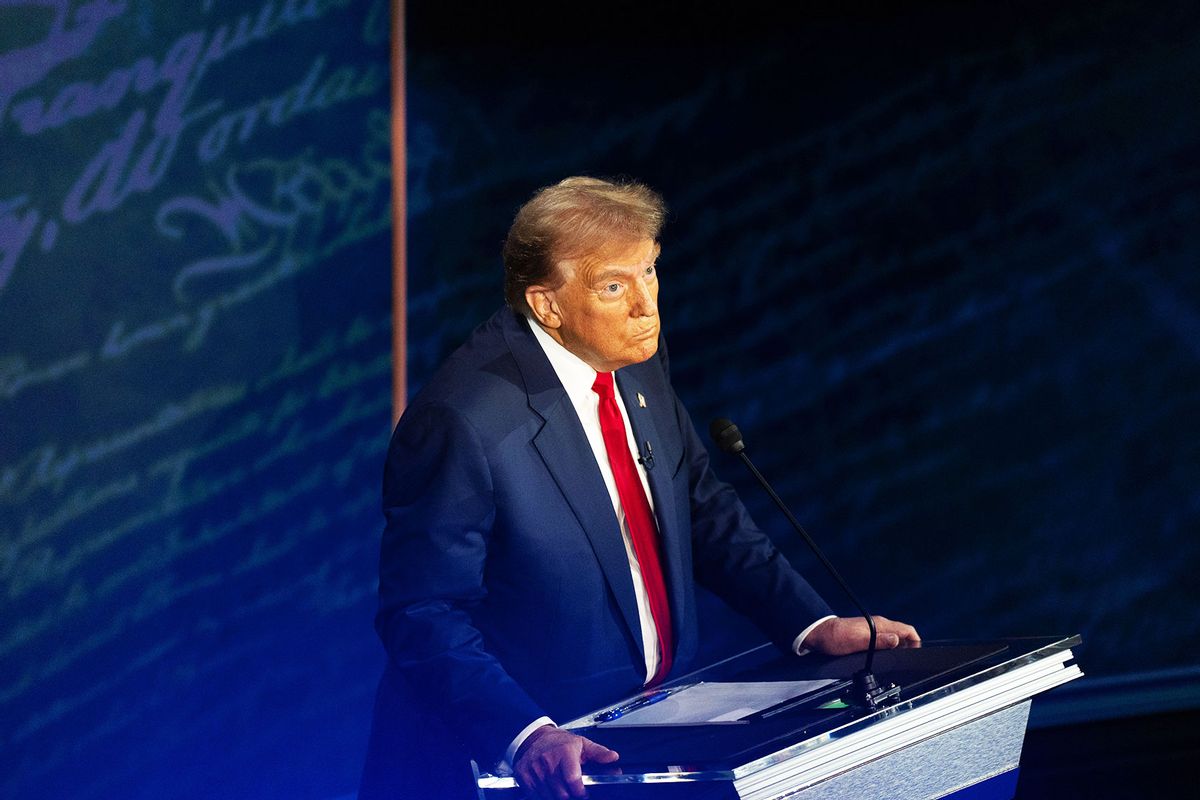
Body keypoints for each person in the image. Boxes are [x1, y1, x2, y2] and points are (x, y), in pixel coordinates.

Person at [358, 177, 919, 800]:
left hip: (640, 744)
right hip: (507, 770)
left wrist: (811, 623)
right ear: (548, 305)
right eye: (614, 286)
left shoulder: (634, 357)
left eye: (650, 272)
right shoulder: (463, 419)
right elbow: (421, 612)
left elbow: (700, 510)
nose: (646, 304)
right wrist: (527, 735)